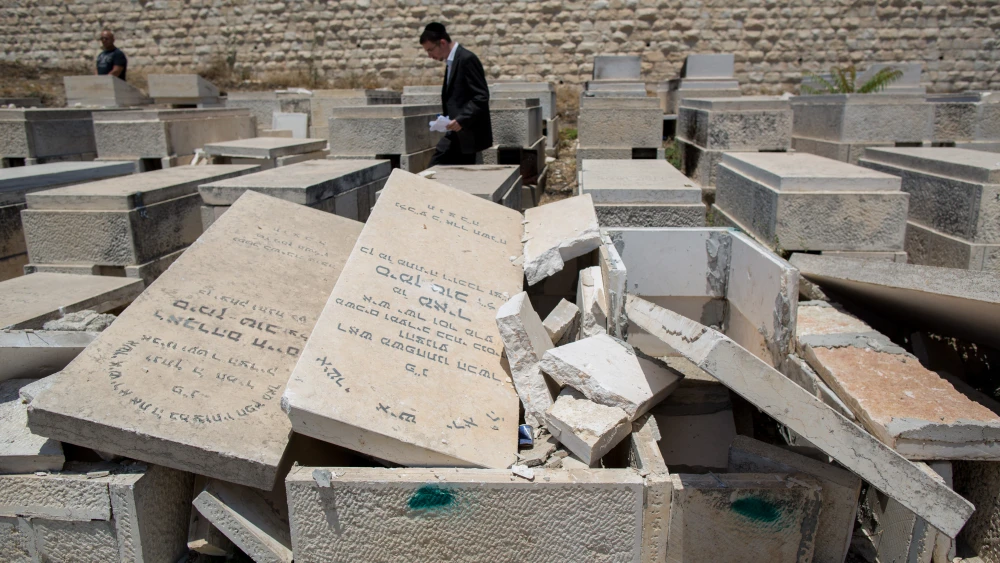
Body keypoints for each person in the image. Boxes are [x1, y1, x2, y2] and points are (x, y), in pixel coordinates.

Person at [420, 22, 492, 166]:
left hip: (467, 133)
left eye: (430, 50)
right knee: (438, 169)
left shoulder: (466, 59)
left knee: (439, 169)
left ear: (442, 42)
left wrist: (461, 119)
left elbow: (481, 96)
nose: (430, 56)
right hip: (455, 134)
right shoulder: (451, 62)